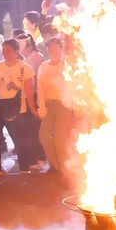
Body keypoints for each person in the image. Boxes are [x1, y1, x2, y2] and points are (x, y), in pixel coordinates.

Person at [0, 38, 38, 173]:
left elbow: (29, 92)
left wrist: (33, 110)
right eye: (4, 50)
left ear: (16, 51)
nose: (5, 53)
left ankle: (24, 169)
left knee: (20, 140)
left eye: (9, 50)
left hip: (18, 108)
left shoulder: (25, 68)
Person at [37, 38, 73, 173]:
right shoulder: (43, 66)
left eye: (54, 47)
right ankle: (54, 166)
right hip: (49, 105)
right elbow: (40, 88)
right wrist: (41, 107)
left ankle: (65, 169)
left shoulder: (67, 65)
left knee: (60, 138)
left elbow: (73, 87)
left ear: (60, 48)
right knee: (44, 136)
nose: (51, 50)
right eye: (49, 48)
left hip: (64, 105)